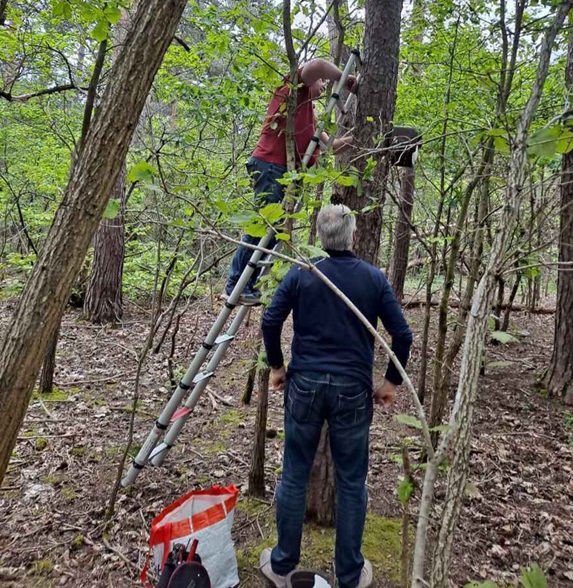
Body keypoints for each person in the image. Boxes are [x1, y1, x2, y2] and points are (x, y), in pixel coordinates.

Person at [259, 204, 413, 588]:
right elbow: (403, 335)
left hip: (306, 387)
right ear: (354, 236)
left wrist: (277, 367)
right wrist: (390, 383)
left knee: (294, 475)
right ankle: (348, 574)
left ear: (320, 237)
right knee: (351, 480)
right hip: (351, 391)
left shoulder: (303, 274)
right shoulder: (373, 279)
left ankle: (282, 565)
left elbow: (269, 319)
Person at [224, 59, 357, 305]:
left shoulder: (310, 117)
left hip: (285, 174)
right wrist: (344, 78)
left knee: (272, 232)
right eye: (322, 81)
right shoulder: (293, 91)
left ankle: (246, 284)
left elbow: (333, 147)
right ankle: (235, 284)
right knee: (263, 227)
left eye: (326, 81)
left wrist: (359, 137)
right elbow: (317, 65)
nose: (324, 82)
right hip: (271, 166)